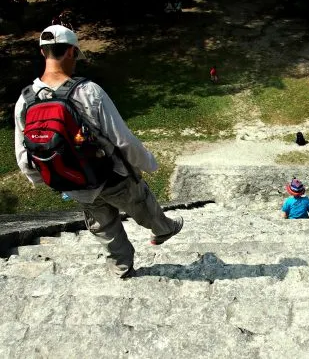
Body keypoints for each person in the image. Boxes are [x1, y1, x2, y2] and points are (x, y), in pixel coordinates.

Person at [13, 25, 184, 279]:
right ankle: (163, 229)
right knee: (141, 204)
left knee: (104, 227)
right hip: (111, 176)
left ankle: (121, 268)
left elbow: (24, 157)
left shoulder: (25, 100)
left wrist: (45, 178)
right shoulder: (88, 91)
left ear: (42, 52)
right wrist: (148, 164)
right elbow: (122, 139)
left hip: (73, 182)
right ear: (71, 51)